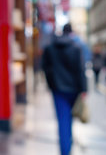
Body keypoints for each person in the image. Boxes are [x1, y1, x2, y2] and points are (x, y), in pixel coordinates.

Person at [42, 23, 87, 155]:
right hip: (74, 90)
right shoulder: (76, 48)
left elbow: (45, 68)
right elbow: (80, 70)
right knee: (69, 119)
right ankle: (68, 146)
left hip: (58, 90)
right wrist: (84, 90)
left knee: (63, 120)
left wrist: (52, 84)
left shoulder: (50, 48)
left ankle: (65, 150)